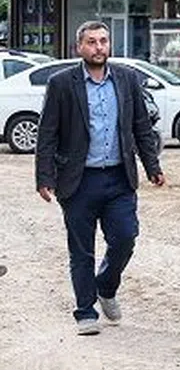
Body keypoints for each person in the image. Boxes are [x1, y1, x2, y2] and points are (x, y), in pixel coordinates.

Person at [34, 21, 165, 334]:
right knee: (81, 250)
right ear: (79, 47)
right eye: (91, 42)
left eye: (103, 41)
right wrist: (44, 176)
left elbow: (140, 125)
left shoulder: (127, 78)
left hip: (119, 177)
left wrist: (152, 166)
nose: (99, 47)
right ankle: (85, 311)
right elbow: (47, 133)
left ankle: (106, 285)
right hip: (78, 180)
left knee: (125, 237)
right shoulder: (61, 83)